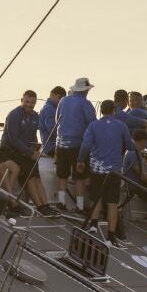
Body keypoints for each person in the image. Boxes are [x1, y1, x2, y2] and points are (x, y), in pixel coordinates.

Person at [77, 99, 135, 248]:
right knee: (112, 203)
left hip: (96, 169)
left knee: (95, 197)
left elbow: (86, 145)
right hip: (114, 171)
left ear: (101, 111)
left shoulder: (93, 125)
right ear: (114, 111)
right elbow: (129, 145)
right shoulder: (121, 126)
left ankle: (93, 225)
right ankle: (110, 236)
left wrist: (80, 160)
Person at [1, 90, 54, 214]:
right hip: (10, 150)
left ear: (35, 103)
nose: (29, 104)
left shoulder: (35, 116)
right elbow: (13, 139)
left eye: (32, 102)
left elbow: (33, 137)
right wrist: (29, 153)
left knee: (36, 174)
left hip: (25, 151)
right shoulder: (13, 115)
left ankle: (45, 204)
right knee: (29, 174)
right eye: (26, 101)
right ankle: (39, 206)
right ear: (22, 101)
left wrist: (35, 150)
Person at [55, 77, 96, 212]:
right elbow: (92, 125)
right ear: (86, 90)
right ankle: (79, 207)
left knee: (62, 175)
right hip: (78, 145)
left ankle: (61, 203)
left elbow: (57, 119)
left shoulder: (63, 100)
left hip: (61, 143)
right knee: (80, 177)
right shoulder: (86, 104)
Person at [38, 85, 66, 157]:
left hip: (52, 146)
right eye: (60, 98)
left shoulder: (54, 108)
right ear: (52, 95)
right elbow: (53, 129)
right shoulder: (49, 109)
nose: (61, 101)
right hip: (51, 147)